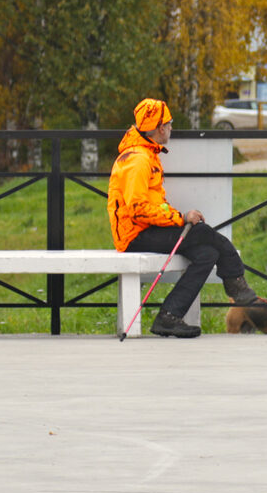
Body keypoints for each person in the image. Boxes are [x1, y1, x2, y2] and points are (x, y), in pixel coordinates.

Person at [108, 97, 258, 338]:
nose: (170, 128)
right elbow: (137, 208)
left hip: (146, 229)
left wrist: (178, 218)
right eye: (168, 124)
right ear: (158, 128)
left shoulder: (146, 154)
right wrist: (180, 217)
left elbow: (149, 205)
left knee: (207, 254)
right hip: (135, 235)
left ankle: (168, 317)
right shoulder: (137, 160)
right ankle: (235, 280)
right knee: (201, 231)